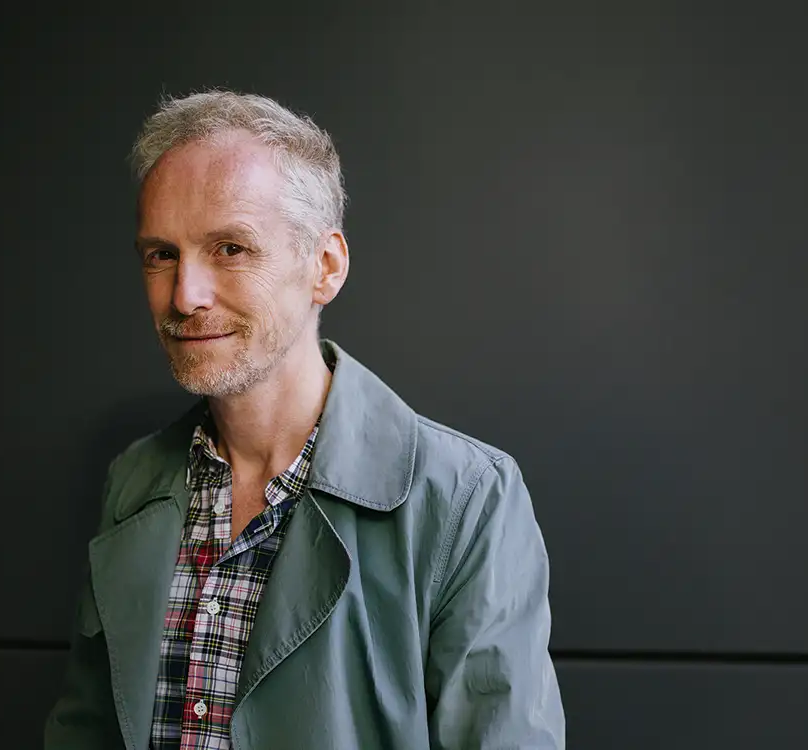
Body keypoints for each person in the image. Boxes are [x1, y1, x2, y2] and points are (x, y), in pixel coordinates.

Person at [44, 89, 565, 749]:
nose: (185, 296)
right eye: (162, 255)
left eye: (230, 248)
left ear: (325, 267)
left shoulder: (466, 497)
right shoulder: (134, 479)